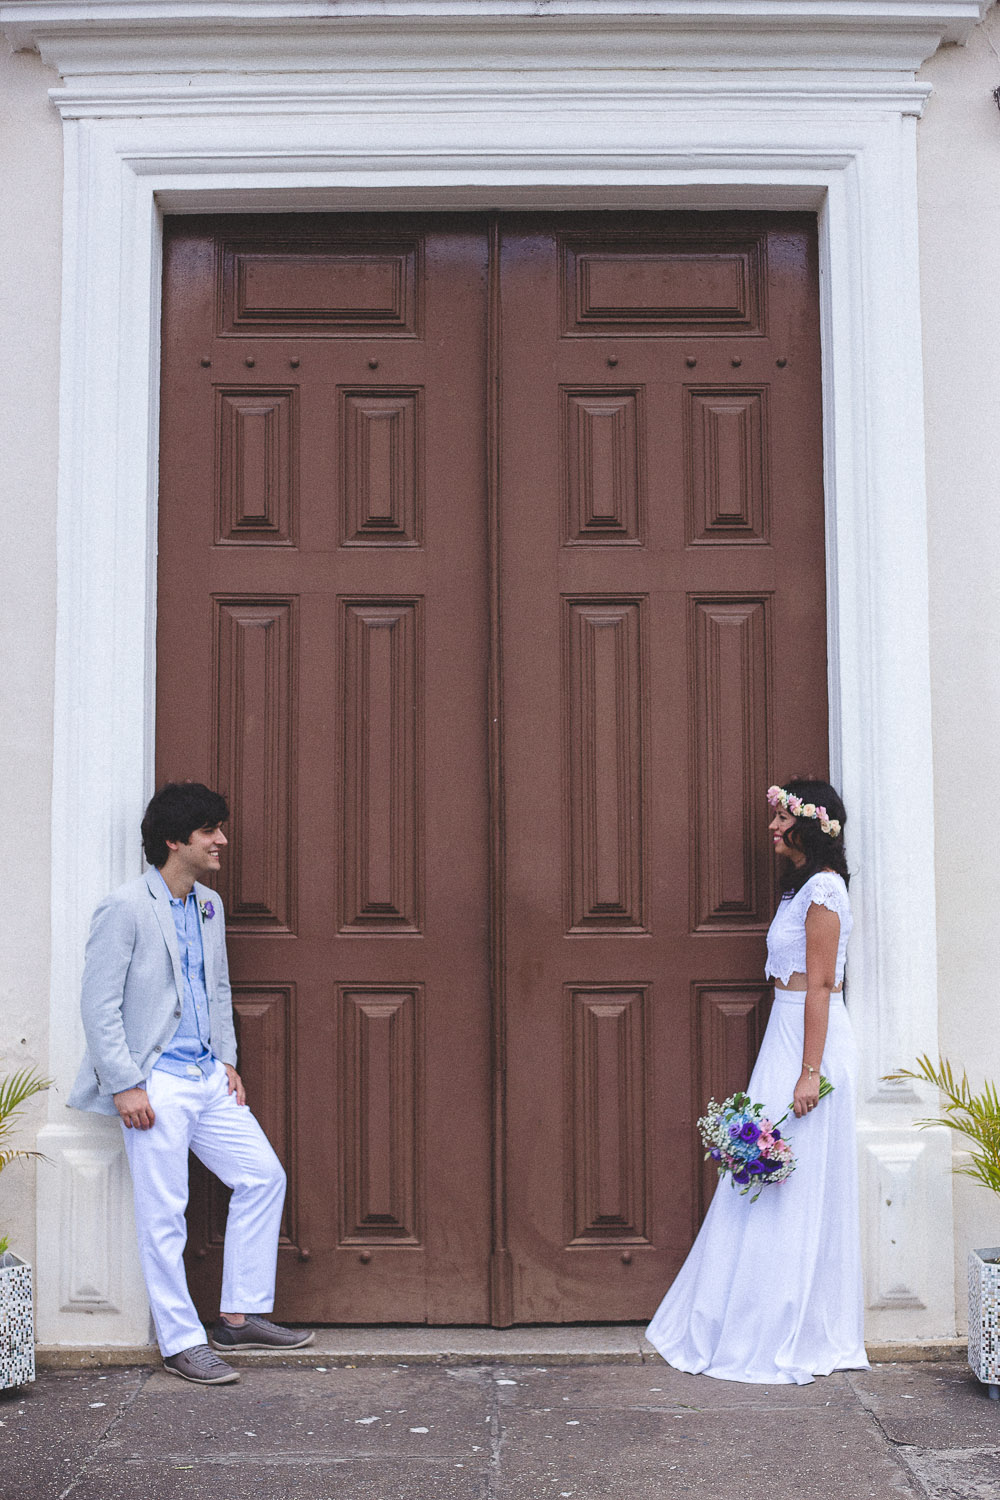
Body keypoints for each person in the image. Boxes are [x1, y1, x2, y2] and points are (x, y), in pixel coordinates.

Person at [68, 782, 313, 1385]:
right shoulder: (125, 907)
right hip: (155, 1082)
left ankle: (238, 1315)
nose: (221, 840)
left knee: (262, 1176)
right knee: (164, 1215)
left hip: (206, 1077)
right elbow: (99, 1004)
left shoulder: (209, 904)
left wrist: (226, 1057)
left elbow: (216, 986)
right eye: (210, 830)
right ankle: (181, 1341)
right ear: (176, 840)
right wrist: (125, 1083)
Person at [645, 778, 869, 1384]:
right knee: (763, 1167)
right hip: (785, 1033)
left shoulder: (825, 890)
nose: (771, 828)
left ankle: (784, 1324)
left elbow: (820, 986)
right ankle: (747, 1312)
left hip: (810, 1045)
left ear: (809, 827)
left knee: (792, 1174)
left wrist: (809, 1073)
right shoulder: (800, 889)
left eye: (781, 819)